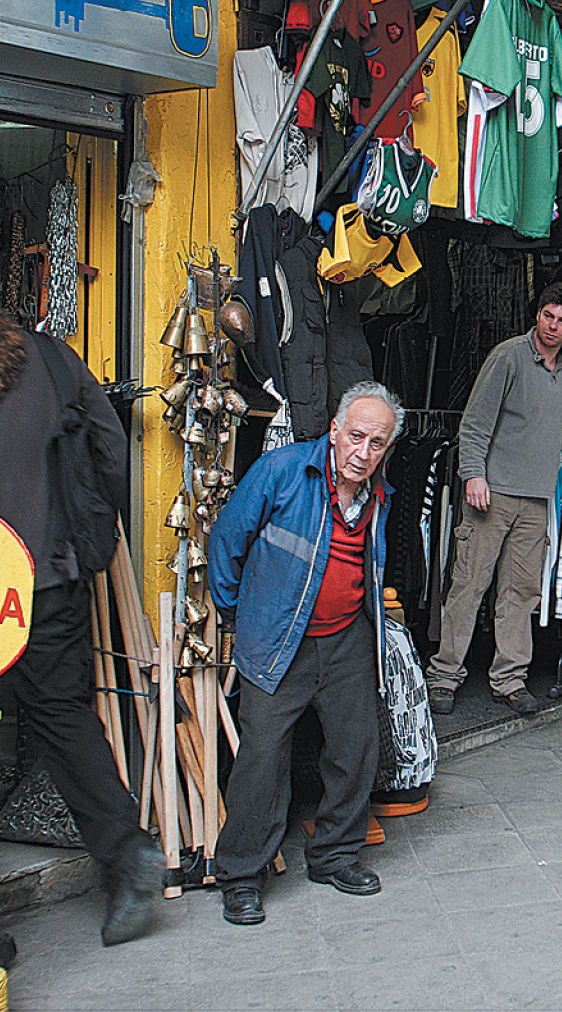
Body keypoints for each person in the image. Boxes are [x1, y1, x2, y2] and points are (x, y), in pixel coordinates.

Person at [0, 261, 166, 946]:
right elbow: (110, 447)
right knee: (64, 719)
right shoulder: (53, 359)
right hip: (52, 575)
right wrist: (87, 534)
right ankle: (128, 852)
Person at [206, 382, 404, 926]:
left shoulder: (379, 493)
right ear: (335, 430)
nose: (363, 452)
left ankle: (335, 855)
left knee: (356, 748)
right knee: (261, 759)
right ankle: (241, 875)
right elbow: (226, 541)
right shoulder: (283, 471)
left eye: (377, 443)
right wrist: (235, 617)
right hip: (277, 638)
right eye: (356, 436)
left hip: (347, 639)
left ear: (387, 449)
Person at [427, 283, 562, 714]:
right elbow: (475, 423)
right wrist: (473, 475)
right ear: (538, 314)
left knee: (520, 593)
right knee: (469, 587)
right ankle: (444, 677)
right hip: (493, 493)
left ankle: (509, 679)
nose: (553, 326)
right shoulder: (508, 356)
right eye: (548, 316)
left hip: (537, 497)